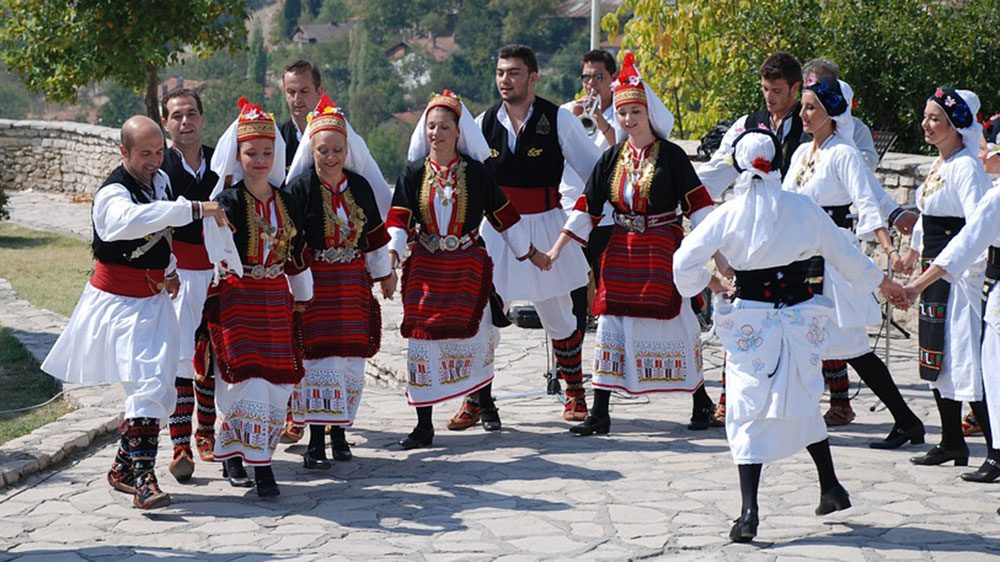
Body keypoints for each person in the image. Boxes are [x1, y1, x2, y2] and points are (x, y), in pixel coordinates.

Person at [673, 128, 907, 542]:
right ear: (779, 163)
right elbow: (845, 254)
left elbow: (682, 261)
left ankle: (750, 512)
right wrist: (882, 283)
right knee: (801, 397)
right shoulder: (803, 209)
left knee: (748, 409)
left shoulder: (727, 214)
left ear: (740, 167)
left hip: (753, 322)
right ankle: (830, 485)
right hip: (801, 319)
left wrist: (708, 283)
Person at [41, 115, 227, 509]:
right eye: (145, 153)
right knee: (144, 385)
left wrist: (172, 270)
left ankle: (123, 467)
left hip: (154, 298)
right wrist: (194, 208)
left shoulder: (157, 181)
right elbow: (127, 224)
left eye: (159, 152)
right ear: (123, 151)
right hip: (118, 305)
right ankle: (144, 479)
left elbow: (160, 232)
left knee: (160, 389)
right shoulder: (112, 194)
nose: (154, 160)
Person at [546, 52, 713, 436]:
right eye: (622, 114)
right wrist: (556, 250)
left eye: (635, 112)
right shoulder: (612, 158)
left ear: (648, 113)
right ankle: (601, 410)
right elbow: (587, 206)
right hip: (621, 249)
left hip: (661, 247)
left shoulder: (671, 157)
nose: (628, 120)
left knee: (678, 322)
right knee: (610, 324)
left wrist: (717, 258)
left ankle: (700, 401)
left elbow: (699, 206)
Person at [386, 90, 543, 449]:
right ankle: (424, 424)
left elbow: (503, 216)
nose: (436, 133)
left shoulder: (476, 174)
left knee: (478, 337)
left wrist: (532, 253)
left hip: (468, 263)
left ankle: (485, 403)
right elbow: (399, 220)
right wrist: (392, 257)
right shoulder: (412, 174)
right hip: (426, 265)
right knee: (422, 344)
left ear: (459, 132)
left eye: (444, 127)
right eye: (431, 127)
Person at [460, 44, 601, 428]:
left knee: (559, 314)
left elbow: (596, 173)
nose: (506, 80)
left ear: (533, 77)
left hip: (545, 222)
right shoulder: (481, 123)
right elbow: (466, 176)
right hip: (497, 230)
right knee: (483, 316)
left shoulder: (558, 120)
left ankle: (574, 391)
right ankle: (479, 400)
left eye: (515, 73)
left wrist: (579, 224)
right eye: (501, 72)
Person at [781, 76, 925, 446]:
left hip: (834, 257)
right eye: (804, 106)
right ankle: (799, 416)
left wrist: (889, 251)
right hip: (801, 257)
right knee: (799, 337)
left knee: (852, 346)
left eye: (812, 107)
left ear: (832, 112)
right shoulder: (801, 154)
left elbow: (867, 204)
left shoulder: (843, 154)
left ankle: (907, 419)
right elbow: (783, 204)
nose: (805, 113)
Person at [199, 97, 313, 497]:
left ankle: (259, 456)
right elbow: (217, 252)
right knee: (240, 380)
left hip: (274, 298)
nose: (260, 160)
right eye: (251, 153)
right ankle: (241, 459)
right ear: (238, 155)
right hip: (237, 298)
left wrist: (303, 293)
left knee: (275, 382)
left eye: (267, 152)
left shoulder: (285, 200)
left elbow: (297, 252)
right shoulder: (227, 202)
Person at [285, 94, 396, 467]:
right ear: (311, 151)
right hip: (316, 288)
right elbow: (291, 241)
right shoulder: (299, 190)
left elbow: (375, 236)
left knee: (349, 361)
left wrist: (384, 273)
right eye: (322, 150)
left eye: (336, 149)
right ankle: (316, 439)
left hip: (351, 285)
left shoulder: (360, 188)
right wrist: (297, 287)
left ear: (347, 150)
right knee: (318, 361)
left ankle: (341, 433)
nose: (330, 157)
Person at [898, 88, 991, 468]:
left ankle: (996, 446)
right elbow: (927, 218)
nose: (927, 125)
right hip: (935, 270)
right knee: (938, 358)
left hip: (958, 275)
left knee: (966, 360)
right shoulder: (942, 164)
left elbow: (977, 227)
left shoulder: (968, 167)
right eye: (926, 117)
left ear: (956, 126)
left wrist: (959, 269)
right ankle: (952, 439)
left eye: (936, 119)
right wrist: (913, 253)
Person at [159, 88, 221, 482]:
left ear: (202, 118)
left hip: (218, 271)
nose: (186, 122)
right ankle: (180, 442)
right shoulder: (161, 167)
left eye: (192, 114)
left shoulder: (221, 162)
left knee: (213, 356)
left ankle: (208, 433)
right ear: (167, 123)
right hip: (180, 274)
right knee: (182, 360)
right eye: (177, 115)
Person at [559, 49, 627, 334]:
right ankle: (571, 354)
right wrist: (570, 124)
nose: (591, 84)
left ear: (611, 78)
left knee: (608, 281)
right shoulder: (565, 111)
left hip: (607, 213)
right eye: (586, 77)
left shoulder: (624, 112)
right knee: (573, 285)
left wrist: (602, 122)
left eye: (598, 77)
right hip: (570, 206)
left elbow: (622, 151)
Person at [280, 60, 324, 170]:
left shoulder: (338, 137)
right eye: (291, 92)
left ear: (319, 91)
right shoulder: (277, 141)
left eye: (304, 91)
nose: (297, 99)